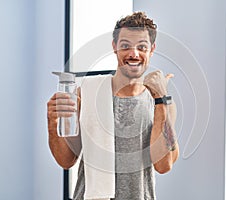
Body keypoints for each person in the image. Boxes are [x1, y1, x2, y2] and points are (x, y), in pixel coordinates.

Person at [47, 11, 179, 200]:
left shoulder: (162, 103)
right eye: (126, 46)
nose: (134, 54)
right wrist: (52, 121)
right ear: (114, 46)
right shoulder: (86, 93)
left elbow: (163, 165)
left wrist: (160, 98)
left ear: (152, 49)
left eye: (142, 47)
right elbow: (66, 160)